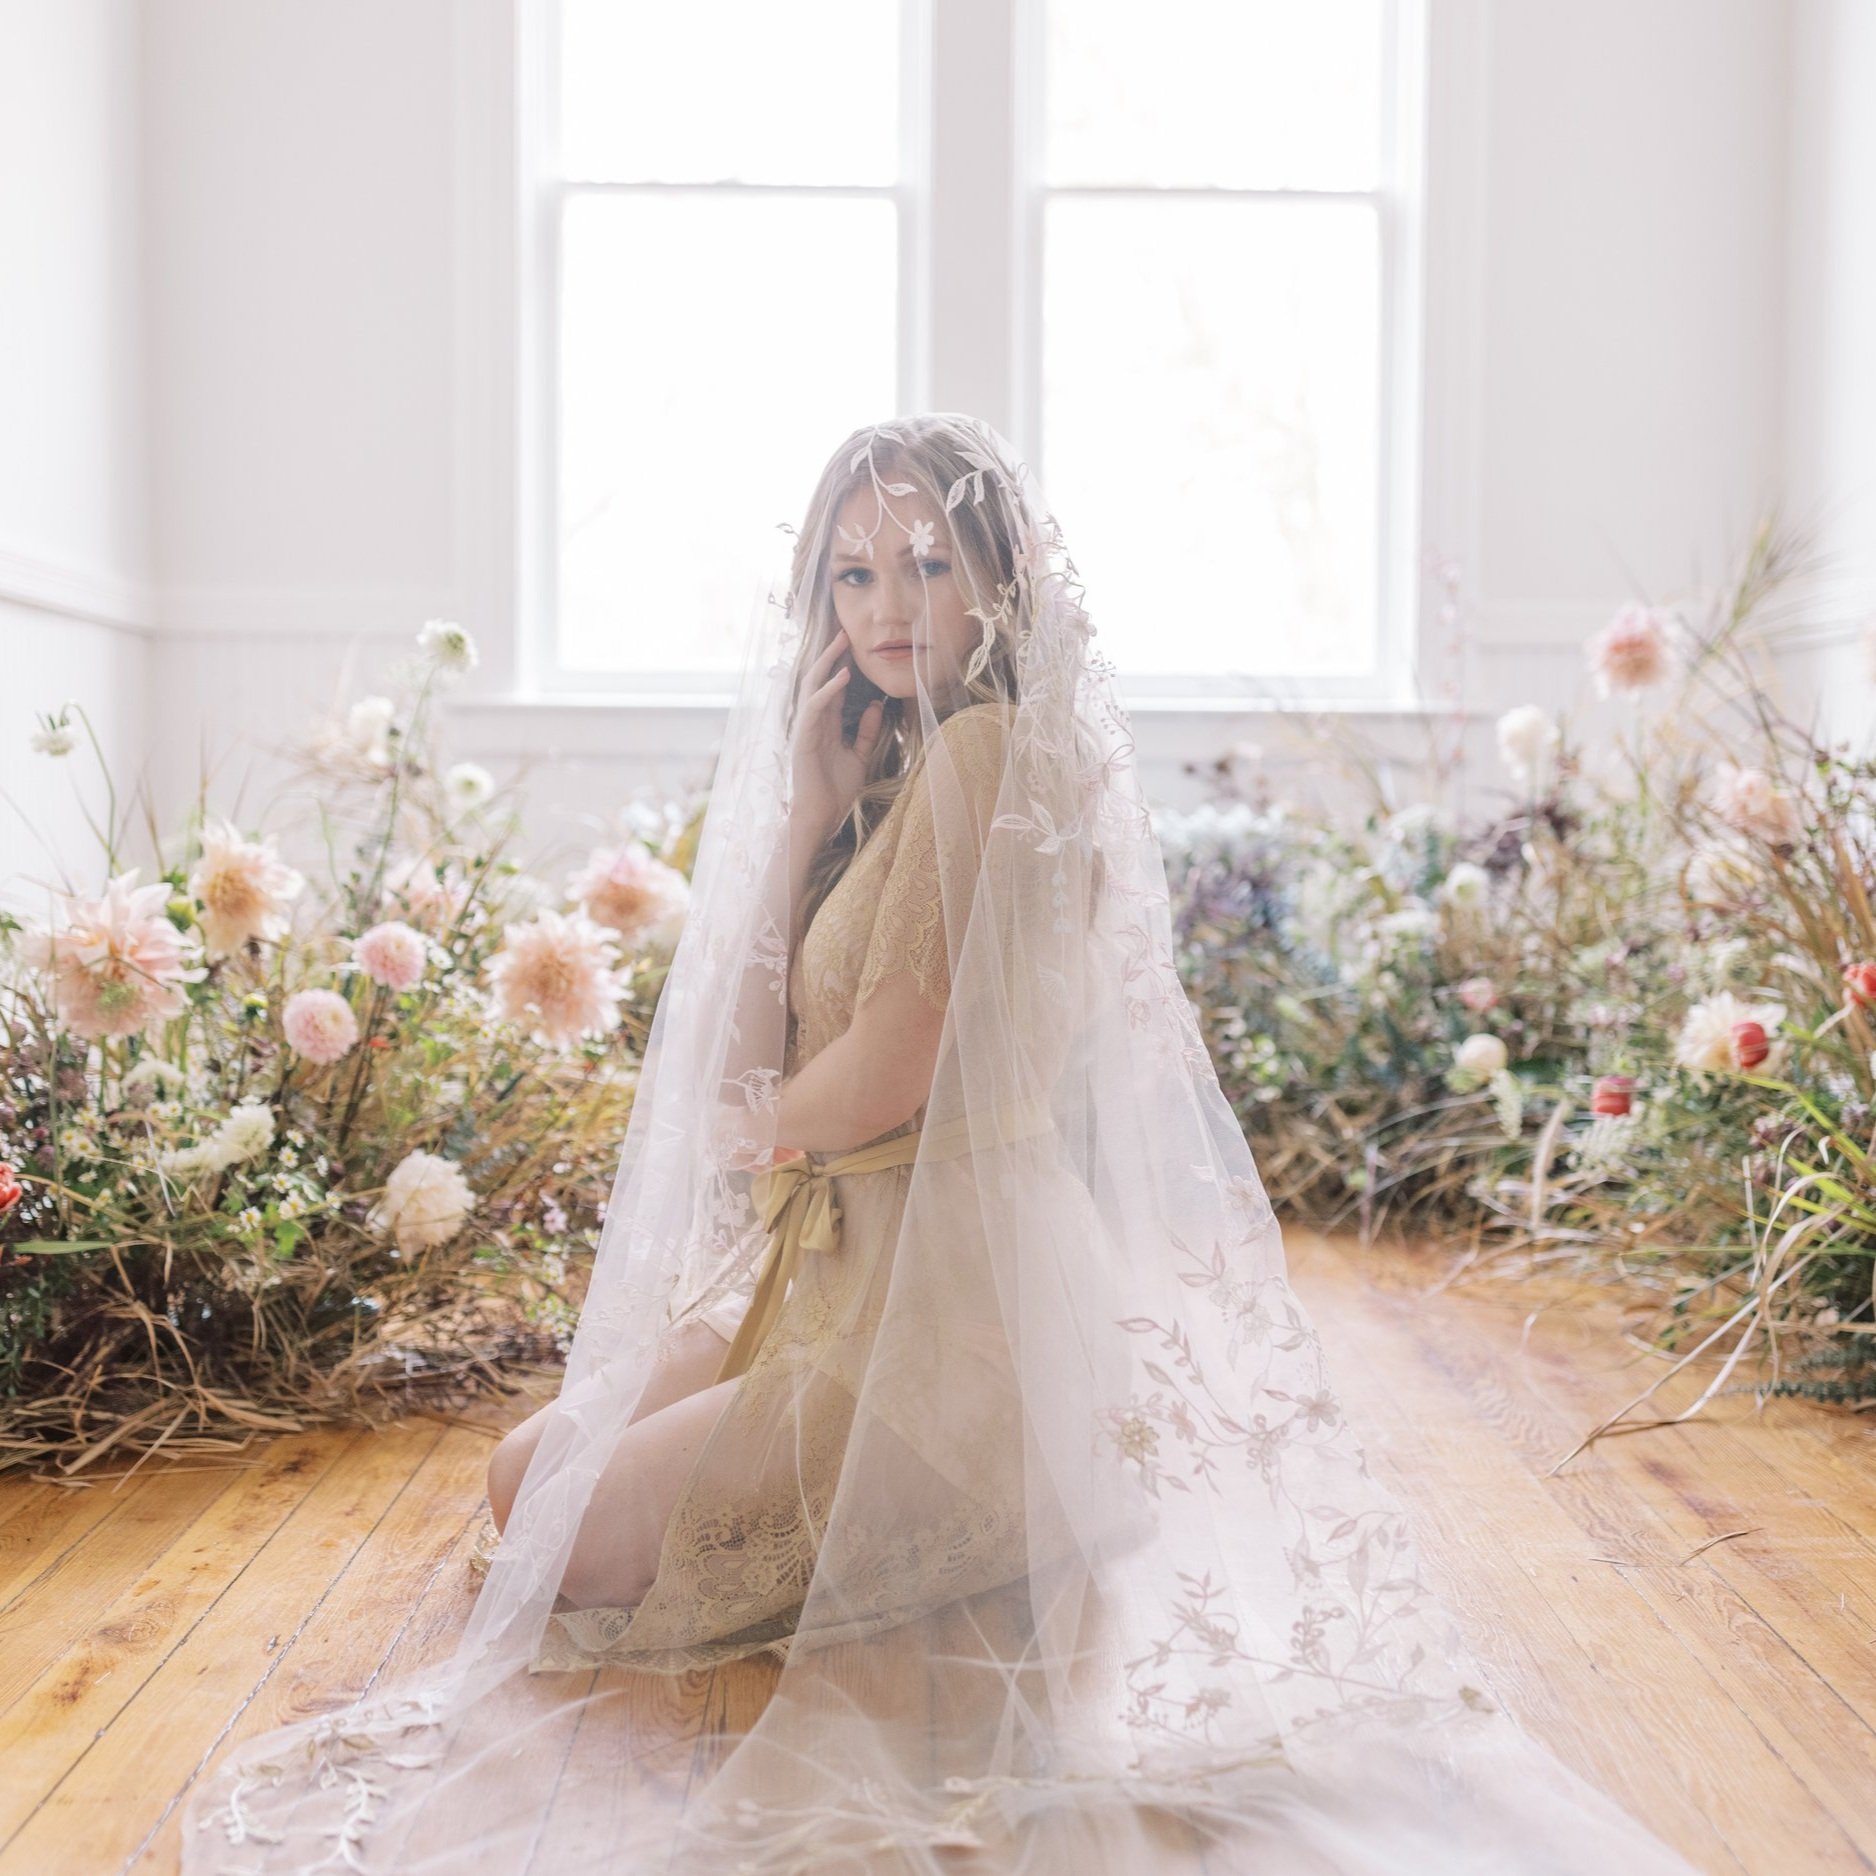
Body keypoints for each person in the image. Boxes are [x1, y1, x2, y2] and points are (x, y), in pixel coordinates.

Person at [184, 415, 1703, 1874]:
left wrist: (751, 1131)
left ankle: (978, 1504)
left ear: (999, 579)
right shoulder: (893, 771)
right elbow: (754, 1045)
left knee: (560, 1523)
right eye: (854, 571)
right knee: (533, 1477)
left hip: (952, 1318)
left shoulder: (988, 754)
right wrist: (805, 811)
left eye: (925, 564)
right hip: (842, 1270)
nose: (889, 604)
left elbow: (885, 1074)